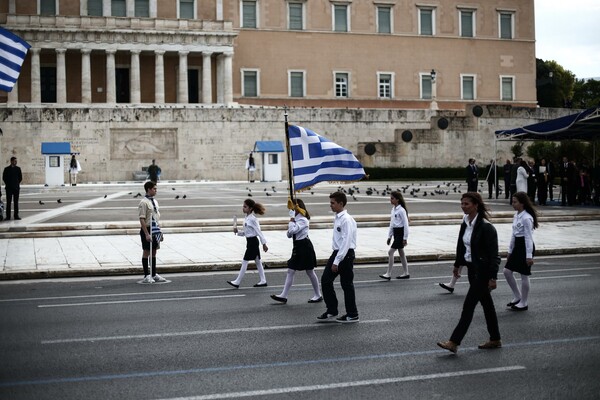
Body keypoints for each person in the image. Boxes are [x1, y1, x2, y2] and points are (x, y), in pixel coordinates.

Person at [437, 192, 501, 354]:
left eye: (467, 204)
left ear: (476, 205)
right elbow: (462, 245)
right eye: (462, 203)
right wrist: (457, 265)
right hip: (472, 270)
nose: (463, 206)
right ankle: (495, 339)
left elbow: (494, 255)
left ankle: (454, 341)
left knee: (468, 307)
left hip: (483, 272)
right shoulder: (465, 222)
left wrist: (493, 277)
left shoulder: (486, 227)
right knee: (487, 306)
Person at [317, 191, 359, 323]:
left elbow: (346, 242)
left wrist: (336, 261)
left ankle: (352, 314)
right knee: (326, 280)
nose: (330, 205)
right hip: (338, 253)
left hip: (344, 254)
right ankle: (332, 310)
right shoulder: (339, 218)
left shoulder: (346, 220)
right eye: (330, 203)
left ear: (341, 203)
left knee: (346, 284)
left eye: (332, 203)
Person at [270, 198, 322, 304]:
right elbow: (289, 234)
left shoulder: (302, 219)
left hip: (304, 246)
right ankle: (284, 295)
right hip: (297, 247)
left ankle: (318, 294)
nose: (291, 208)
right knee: (290, 270)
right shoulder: (296, 219)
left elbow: (293, 230)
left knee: (310, 271)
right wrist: (292, 221)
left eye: (293, 206)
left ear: (297, 207)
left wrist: (292, 219)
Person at [504, 191, 538, 311]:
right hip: (517, 246)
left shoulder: (527, 218)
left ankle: (524, 302)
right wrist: (510, 250)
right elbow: (513, 234)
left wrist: (529, 256)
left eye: (515, 202)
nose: (512, 204)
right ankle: (517, 295)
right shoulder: (516, 215)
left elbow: (528, 237)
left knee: (524, 274)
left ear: (522, 203)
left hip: (525, 246)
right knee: (507, 271)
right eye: (512, 202)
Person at [227, 198, 268, 288]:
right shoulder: (246, 218)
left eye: (245, 207)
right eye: (243, 206)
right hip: (250, 242)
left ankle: (237, 282)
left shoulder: (253, 219)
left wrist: (264, 243)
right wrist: (237, 231)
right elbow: (246, 233)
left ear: (250, 208)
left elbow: (258, 232)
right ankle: (263, 280)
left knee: (245, 261)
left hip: (253, 242)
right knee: (258, 261)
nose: (243, 208)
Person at [138, 181, 167, 283]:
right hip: (147, 228)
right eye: (154, 189)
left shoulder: (154, 201)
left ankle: (153, 274)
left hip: (155, 229)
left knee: (154, 251)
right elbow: (142, 219)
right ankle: (146, 275)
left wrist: (159, 230)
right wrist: (146, 234)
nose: (156, 190)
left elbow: (155, 216)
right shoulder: (143, 202)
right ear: (149, 189)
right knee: (146, 251)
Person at [379, 191, 410, 280]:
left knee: (390, 252)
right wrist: (389, 236)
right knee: (401, 253)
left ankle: (388, 273)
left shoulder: (401, 210)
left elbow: (406, 224)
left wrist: (405, 238)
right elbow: (392, 224)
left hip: (400, 233)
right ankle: (406, 273)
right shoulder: (393, 209)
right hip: (396, 233)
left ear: (397, 199)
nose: (390, 200)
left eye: (392, 198)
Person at [3, 156, 22, 221]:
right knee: (8, 202)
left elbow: (20, 178)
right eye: (15, 161)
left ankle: (16, 215)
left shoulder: (18, 169)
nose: (16, 162)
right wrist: (8, 184)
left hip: (16, 188)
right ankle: (8, 216)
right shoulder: (6, 169)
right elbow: (4, 178)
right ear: (11, 161)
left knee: (16, 202)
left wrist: (16, 183)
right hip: (9, 188)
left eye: (16, 161)